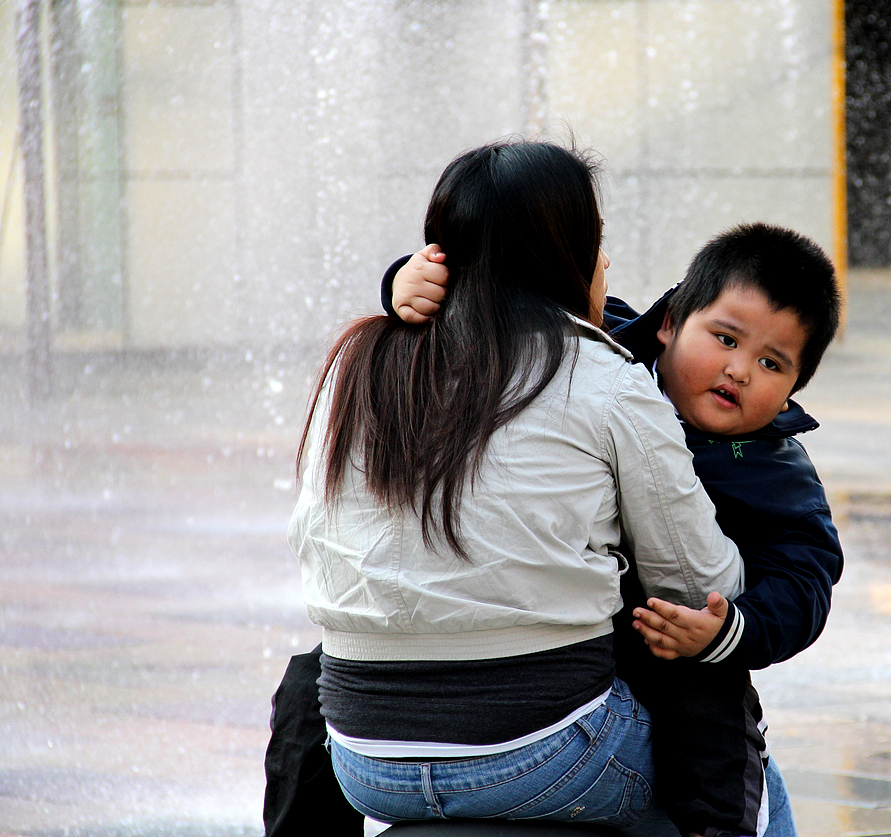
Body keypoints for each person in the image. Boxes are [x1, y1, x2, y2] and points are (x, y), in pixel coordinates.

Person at [283, 139, 744, 833]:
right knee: (713, 678)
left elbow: (314, 544)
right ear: (564, 252)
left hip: (365, 761)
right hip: (547, 754)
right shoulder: (604, 377)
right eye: (596, 241)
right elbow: (697, 581)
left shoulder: (357, 361)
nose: (607, 263)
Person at [387, 222, 845, 837]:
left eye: (771, 362)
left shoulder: (774, 471)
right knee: (315, 682)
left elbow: (805, 578)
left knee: (708, 711)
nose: (739, 370)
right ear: (670, 322)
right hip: (562, 636)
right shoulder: (609, 349)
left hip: (669, 645)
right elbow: (518, 296)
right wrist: (408, 280)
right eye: (725, 338)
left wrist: (729, 630)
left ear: (794, 387)